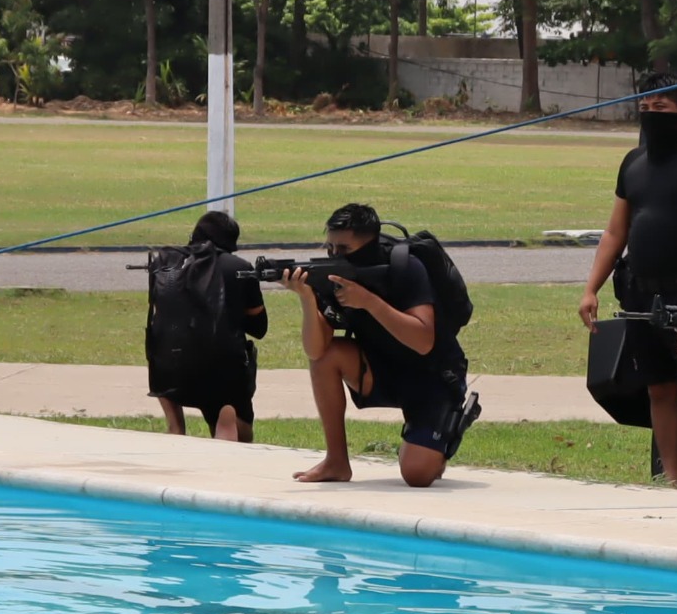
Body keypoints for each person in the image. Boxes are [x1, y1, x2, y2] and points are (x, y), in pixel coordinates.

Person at [577, 71, 677, 491]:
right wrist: (591, 287)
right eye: (645, 108)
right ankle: (672, 479)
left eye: (661, 107)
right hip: (641, 291)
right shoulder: (633, 162)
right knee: (659, 389)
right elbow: (615, 232)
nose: (651, 114)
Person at [288, 202, 476, 488]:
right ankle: (336, 461)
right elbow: (316, 351)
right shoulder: (331, 278)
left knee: (417, 475)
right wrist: (306, 298)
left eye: (344, 249)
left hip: (432, 376)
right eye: (330, 248)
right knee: (328, 356)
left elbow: (424, 341)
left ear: (369, 244)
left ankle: (447, 430)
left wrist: (368, 302)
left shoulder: (406, 268)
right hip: (380, 369)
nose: (335, 255)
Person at [148, 210, 267, 442]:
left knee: (167, 349)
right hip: (220, 370)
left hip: (167, 370)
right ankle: (227, 419)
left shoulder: (166, 263)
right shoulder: (238, 267)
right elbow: (259, 328)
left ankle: (175, 424)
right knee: (243, 433)